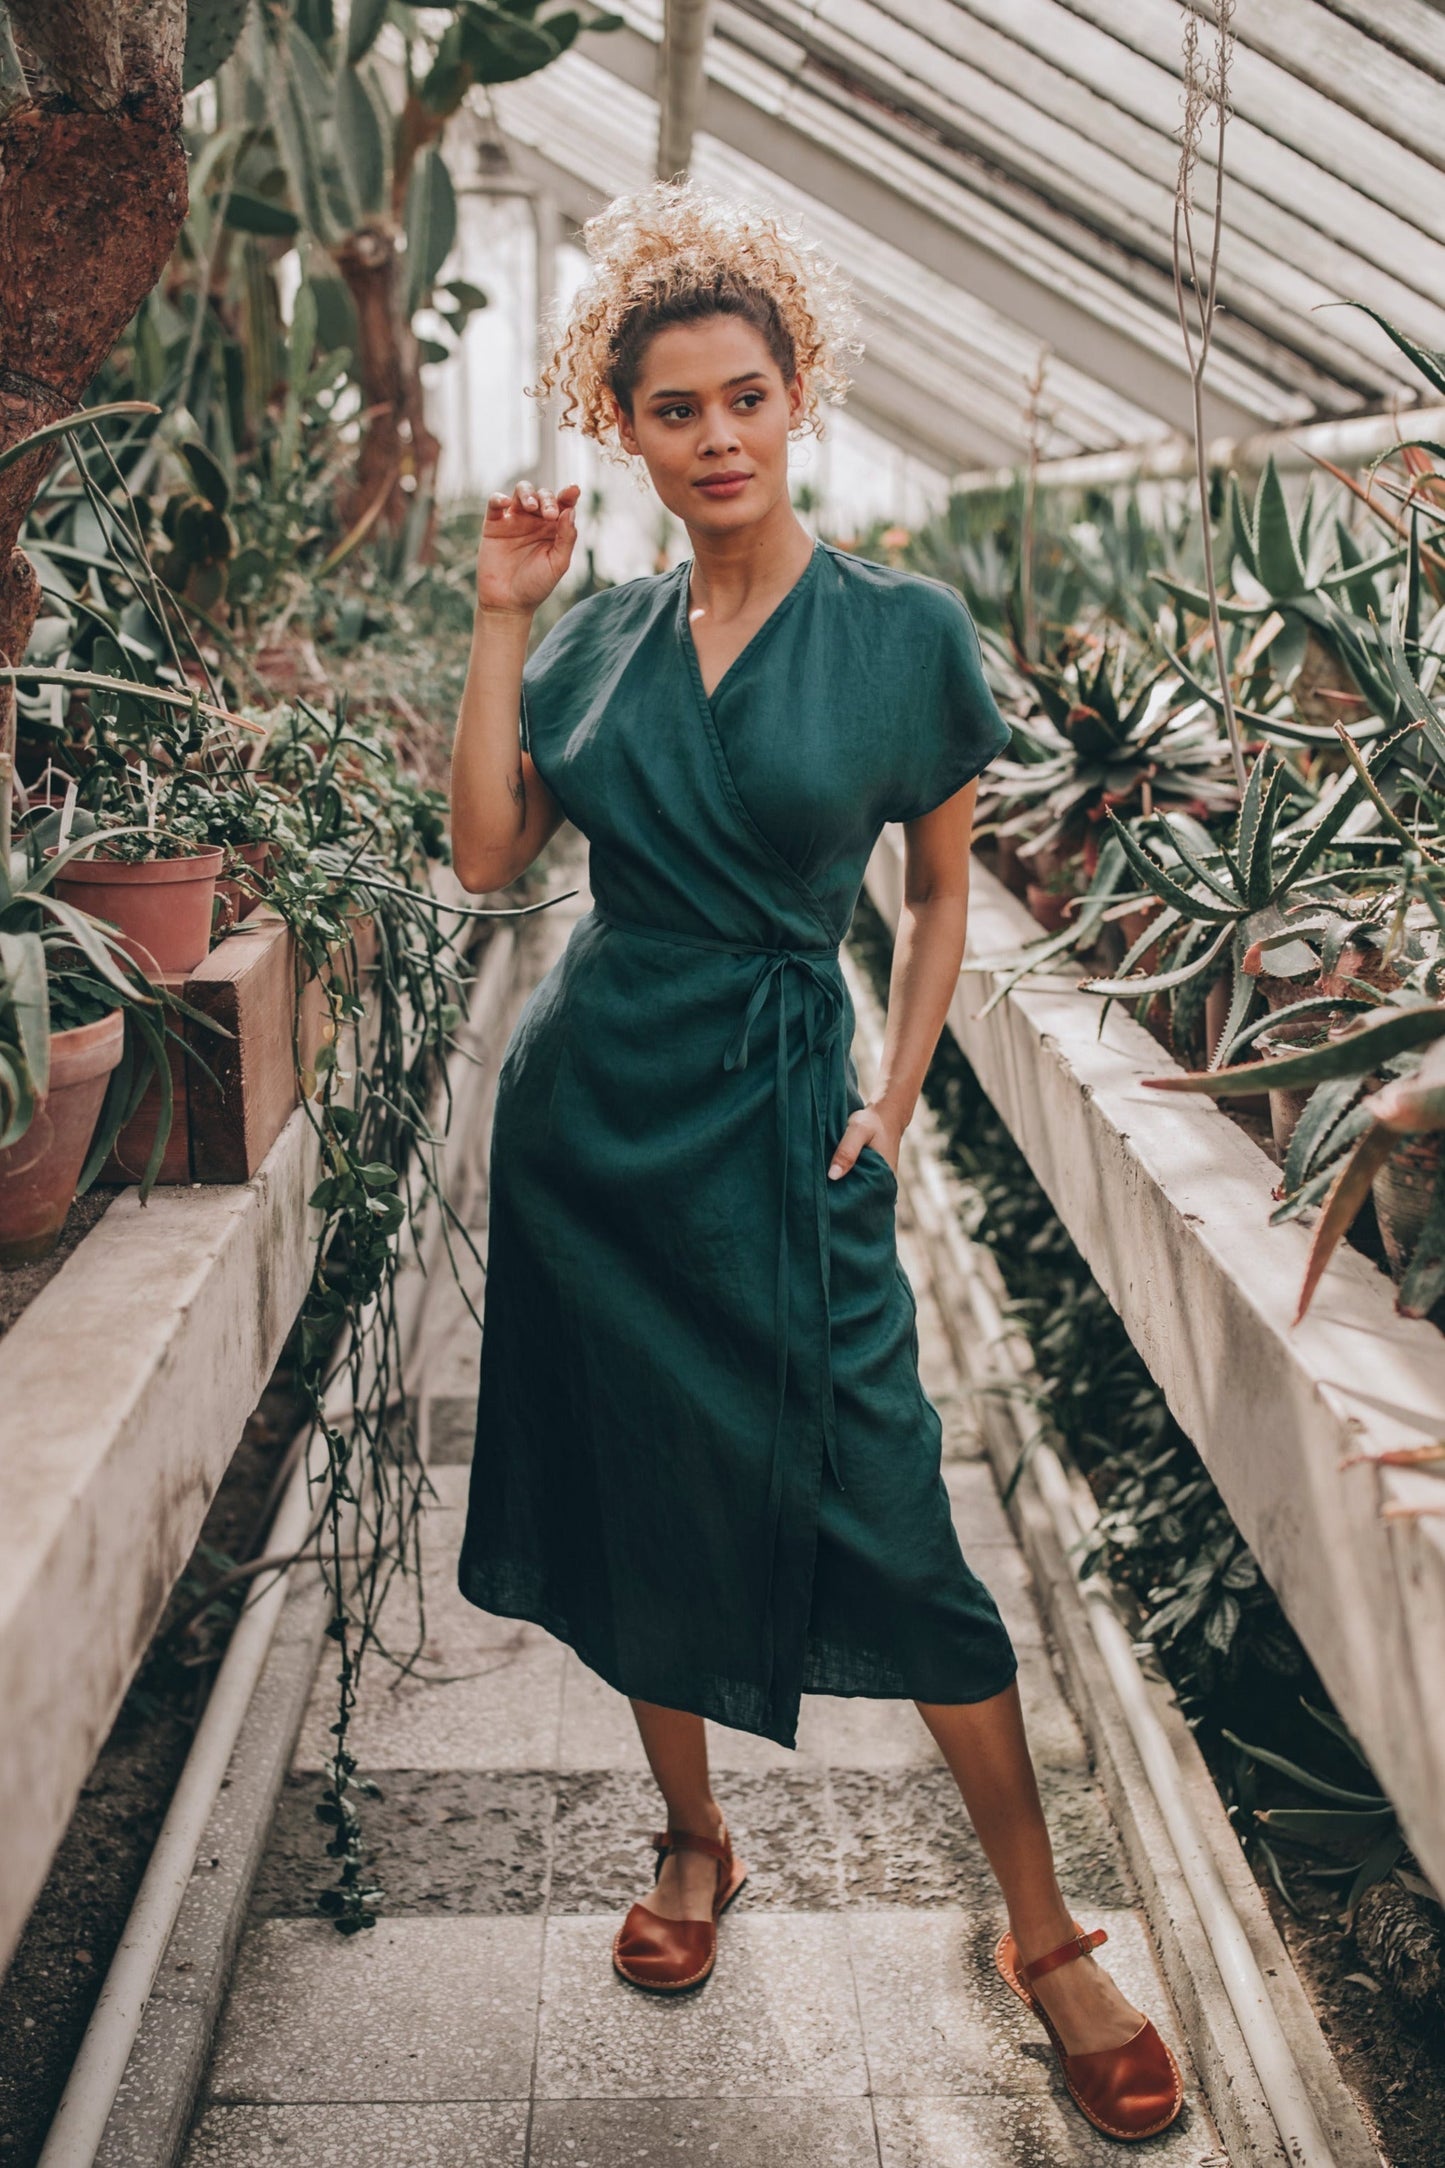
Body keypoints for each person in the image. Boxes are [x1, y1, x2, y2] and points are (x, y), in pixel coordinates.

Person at [449, 180, 1183, 2145]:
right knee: (633, 1501)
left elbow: (937, 893)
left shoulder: (898, 634)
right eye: (672, 407)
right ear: (622, 426)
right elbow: (490, 858)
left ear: (802, 401)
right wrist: (499, 626)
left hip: (786, 1112)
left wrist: (906, 1083)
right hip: (593, 1126)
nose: (714, 436)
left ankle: (1041, 1930)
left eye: (745, 397)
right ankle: (693, 1841)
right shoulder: (593, 635)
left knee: (898, 1521)